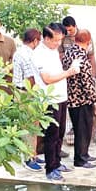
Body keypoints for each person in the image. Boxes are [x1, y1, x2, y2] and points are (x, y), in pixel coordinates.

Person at [35, 23, 82, 182]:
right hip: (49, 100)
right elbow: (47, 79)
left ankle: (57, 162)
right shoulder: (39, 54)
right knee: (51, 135)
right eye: (55, 40)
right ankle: (50, 168)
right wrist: (68, 73)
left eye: (60, 40)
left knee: (60, 132)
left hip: (61, 97)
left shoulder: (53, 51)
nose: (58, 44)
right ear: (46, 38)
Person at [63, 29, 96, 168]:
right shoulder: (81, 56)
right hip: (82, 99)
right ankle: (80, 159)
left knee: (79, 129)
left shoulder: (69, 51)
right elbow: (86, 81)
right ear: (88, 41)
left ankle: (84, 153)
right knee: (83, 130)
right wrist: (95, 100)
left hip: (71, 96)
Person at [13, 28, 44, 172]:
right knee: (28, 127)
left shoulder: (20, 51)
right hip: (26, 93)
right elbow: (31, 78)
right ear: (35, 40)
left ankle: (33, 154)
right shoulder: (27, 54)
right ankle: (28, 158)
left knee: (33, 126)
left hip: (22, 91)